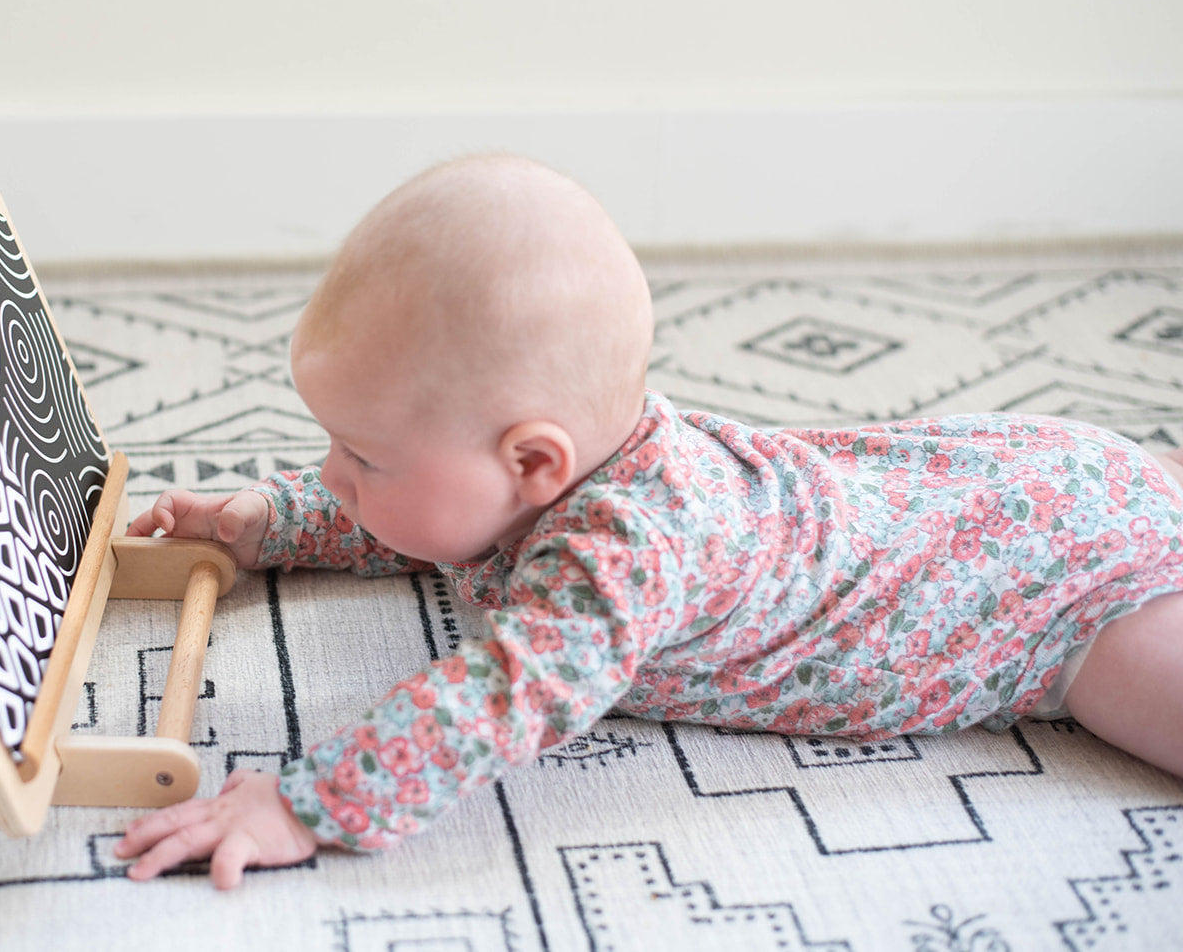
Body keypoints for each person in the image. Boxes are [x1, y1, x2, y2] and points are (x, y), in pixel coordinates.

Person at [114, 154, 1183, 890]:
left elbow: (505, 694)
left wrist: (308, 805)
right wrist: (275, 519)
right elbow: (425, 516)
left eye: (362, 456)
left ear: (534, 462)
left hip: (1049, 589)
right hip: (1013, 476)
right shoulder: (535, 474)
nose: (333, 475)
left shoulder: (619, 556)